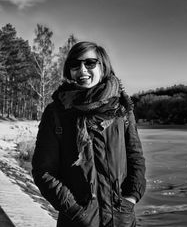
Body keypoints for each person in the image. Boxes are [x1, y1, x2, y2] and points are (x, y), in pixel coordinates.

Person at [32, 41, 146, 227]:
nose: (82, 70)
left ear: (103, 66)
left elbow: (135, 158)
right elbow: (43, 171)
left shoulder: (121, 109)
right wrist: (77, 211)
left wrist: (130, 199)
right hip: (77, 221)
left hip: (121, 219)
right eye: (75, 65)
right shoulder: (57, 112)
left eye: (90, 63)